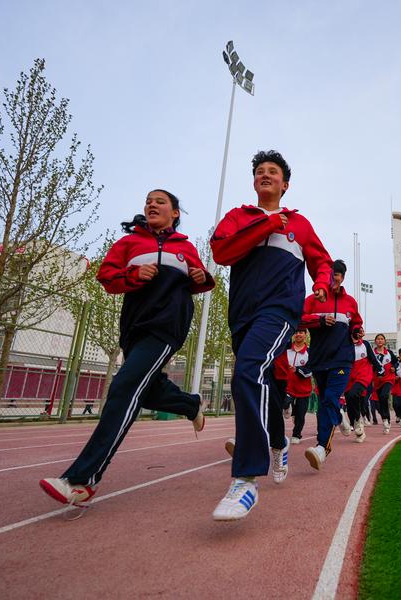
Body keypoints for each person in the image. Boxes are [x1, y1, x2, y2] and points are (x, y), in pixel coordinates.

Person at [39, 189, 214, 506]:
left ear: (175, 212)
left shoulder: (184, 247)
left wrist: (201, 275)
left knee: (123, 389)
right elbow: (107, 277)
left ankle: (82, 480)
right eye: (148, 201)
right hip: (134, 327)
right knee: (143, 389)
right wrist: (134, 274)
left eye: (160, 201)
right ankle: (190, 405)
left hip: (167, 325)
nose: (152, 204)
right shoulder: (128, 243)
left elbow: (198, 280)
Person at [209, 150, 333, 520]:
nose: (265, 175)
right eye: (260, 171)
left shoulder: (300, 225)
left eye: (272, 172)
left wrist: (323, 283)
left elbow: (321, 260)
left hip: (280, 310)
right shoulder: (238, 217)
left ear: (285, 184)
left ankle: (246, 479)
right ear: (254, 182)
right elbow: (220, 251)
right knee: (253, 379)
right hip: (242, 314)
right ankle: (278, 443)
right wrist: (265, 225)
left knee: (248, 371)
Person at [300, 259, 362, 469]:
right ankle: (339, 416)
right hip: (319, 359)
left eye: (337, 274)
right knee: (326, 404)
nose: (333, 277)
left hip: (342, 359)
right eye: (330, 274)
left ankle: (322, 447)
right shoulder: (312, 300)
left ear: (342, 277)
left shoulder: (350, 302)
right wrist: (318, 321)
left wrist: (356, 331)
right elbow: (297, 320)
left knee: (329, 399)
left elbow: (356, 323)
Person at [343, 327, 384, 443]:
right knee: (350, 402)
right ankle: (356, 422)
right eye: (359, 331)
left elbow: (373, 358)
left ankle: (358, 421)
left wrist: (380, 369)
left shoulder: (365, 344)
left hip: (363, 375)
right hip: (348, 376)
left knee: (352, 395)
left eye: (362, 331)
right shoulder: (344, 345)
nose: (362, 333)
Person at [279, 328, 312, 444]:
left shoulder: (310, 352)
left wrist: (297, 370)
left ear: (305, 335)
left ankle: (296, 434)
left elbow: (309, 371)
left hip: (304, 389)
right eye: (296, 332)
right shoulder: (286, 349)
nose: (298, 334)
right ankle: (288, 408)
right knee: (285, 402)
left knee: (300, 415)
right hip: (288, 386)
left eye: (301, 332)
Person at [372, 334, 398, 434]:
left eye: (382, 339)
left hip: (388, 378)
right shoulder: (372, 354)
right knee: (380, 401)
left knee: (384, 396)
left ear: (384, 341)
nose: (380, 340)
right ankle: (384, 419)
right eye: (378, 339)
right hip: (377, 380)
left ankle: (386, 419)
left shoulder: (389, 353)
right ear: (375, 341)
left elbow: (396, 362)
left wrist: (394, 368)